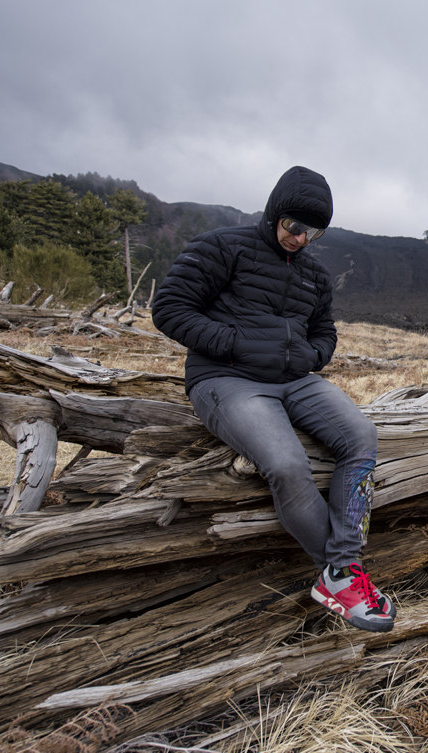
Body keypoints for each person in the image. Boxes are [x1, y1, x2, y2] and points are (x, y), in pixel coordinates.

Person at [152, 164, 394, 632]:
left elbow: (325, 333)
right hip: (225, 379)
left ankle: (343, 568)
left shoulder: (314, 275)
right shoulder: (221, 247)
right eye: (293, 225)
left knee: (361, 436)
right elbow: (169, 309)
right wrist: (236, 344)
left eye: (312, 232)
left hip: (294, 381)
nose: (300, 239)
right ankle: (342, 576)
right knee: (285, 464)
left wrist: (312, 355)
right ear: (273, 212)